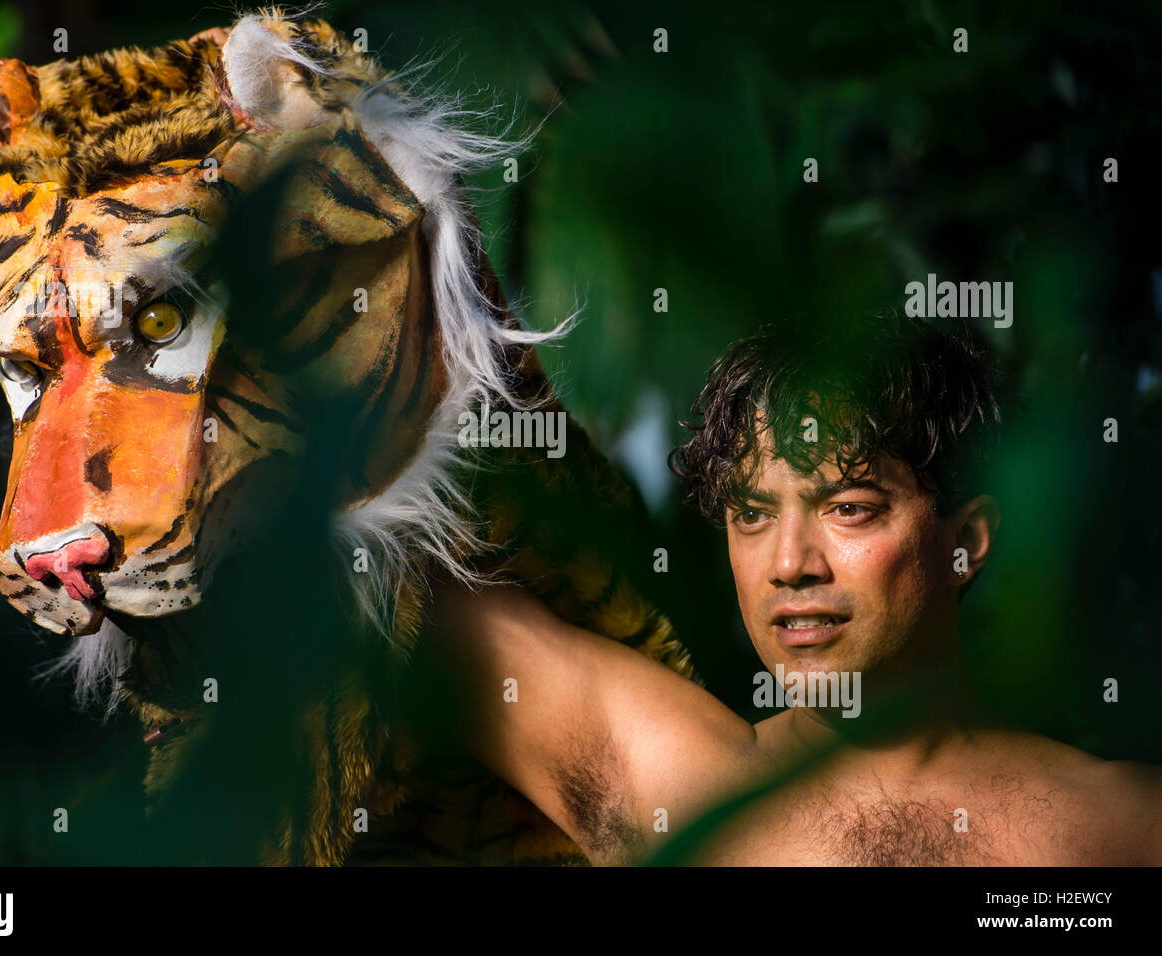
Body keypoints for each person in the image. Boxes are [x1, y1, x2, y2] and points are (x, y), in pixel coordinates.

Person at [415, 311, 1162, 865]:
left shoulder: (1119, 829)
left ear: (964, 544)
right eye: (752, 514)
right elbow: (377, 552)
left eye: (849, 510)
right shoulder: (675, 789)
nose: (790, 564)